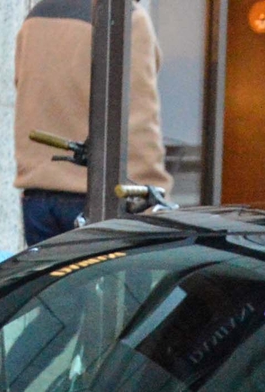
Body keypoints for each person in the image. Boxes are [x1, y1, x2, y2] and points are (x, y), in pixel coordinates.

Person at [14, 0, 171, 244]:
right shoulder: (127, 19)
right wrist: (154, 199)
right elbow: (139, 122)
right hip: (96, 197)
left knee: (53, 282)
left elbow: (23, 90)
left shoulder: (37, 15)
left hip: (37, 197)